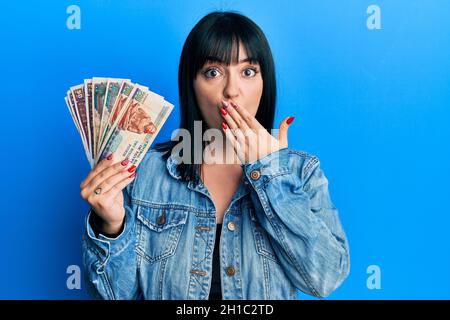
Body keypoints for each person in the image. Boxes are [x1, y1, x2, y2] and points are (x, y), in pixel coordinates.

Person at [80, 11, 350, 300]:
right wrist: (110, 227)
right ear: (191, 85)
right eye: (213, 72)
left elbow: (324, 279)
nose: (232, 90)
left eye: (248, 71)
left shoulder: (301, 172)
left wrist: (271, 173)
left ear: (264, 82)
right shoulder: (144, 172)